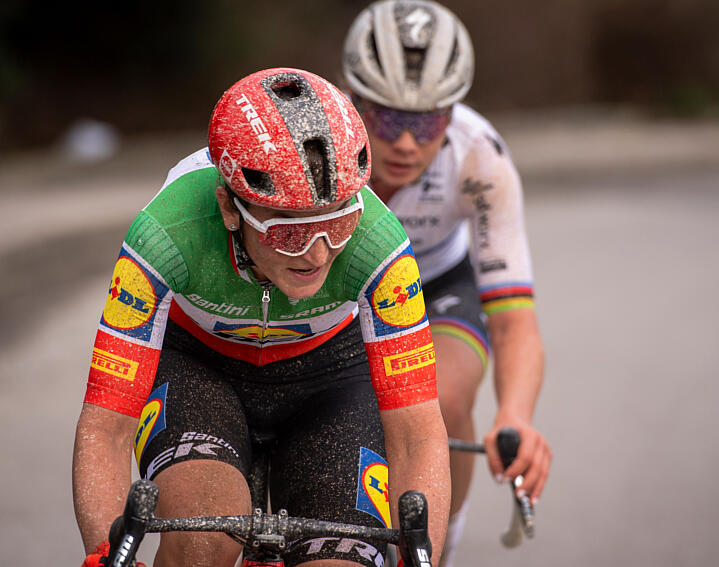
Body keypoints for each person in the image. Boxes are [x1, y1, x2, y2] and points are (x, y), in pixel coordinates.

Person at [73, 67, 450, 567]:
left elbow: (417, 434)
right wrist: (105, 554)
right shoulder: (167, 232)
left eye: (339, 224)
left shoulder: (380, 246)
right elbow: (105, 427)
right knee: (204, 538)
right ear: (230, 207)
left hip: (330, 380)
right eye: (290, 232)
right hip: (200, 369)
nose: (319, 253)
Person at [342, 2, 552, 565]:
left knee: (443, 396)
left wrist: (515, 415)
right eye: (387, 119)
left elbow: (514, 325)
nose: (406, 143)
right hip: (336, 289)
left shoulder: (478, 156)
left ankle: (438, 544)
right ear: (356, 101)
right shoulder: (322, 141)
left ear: (451, 115)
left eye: (427, 121)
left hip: (433, 284)